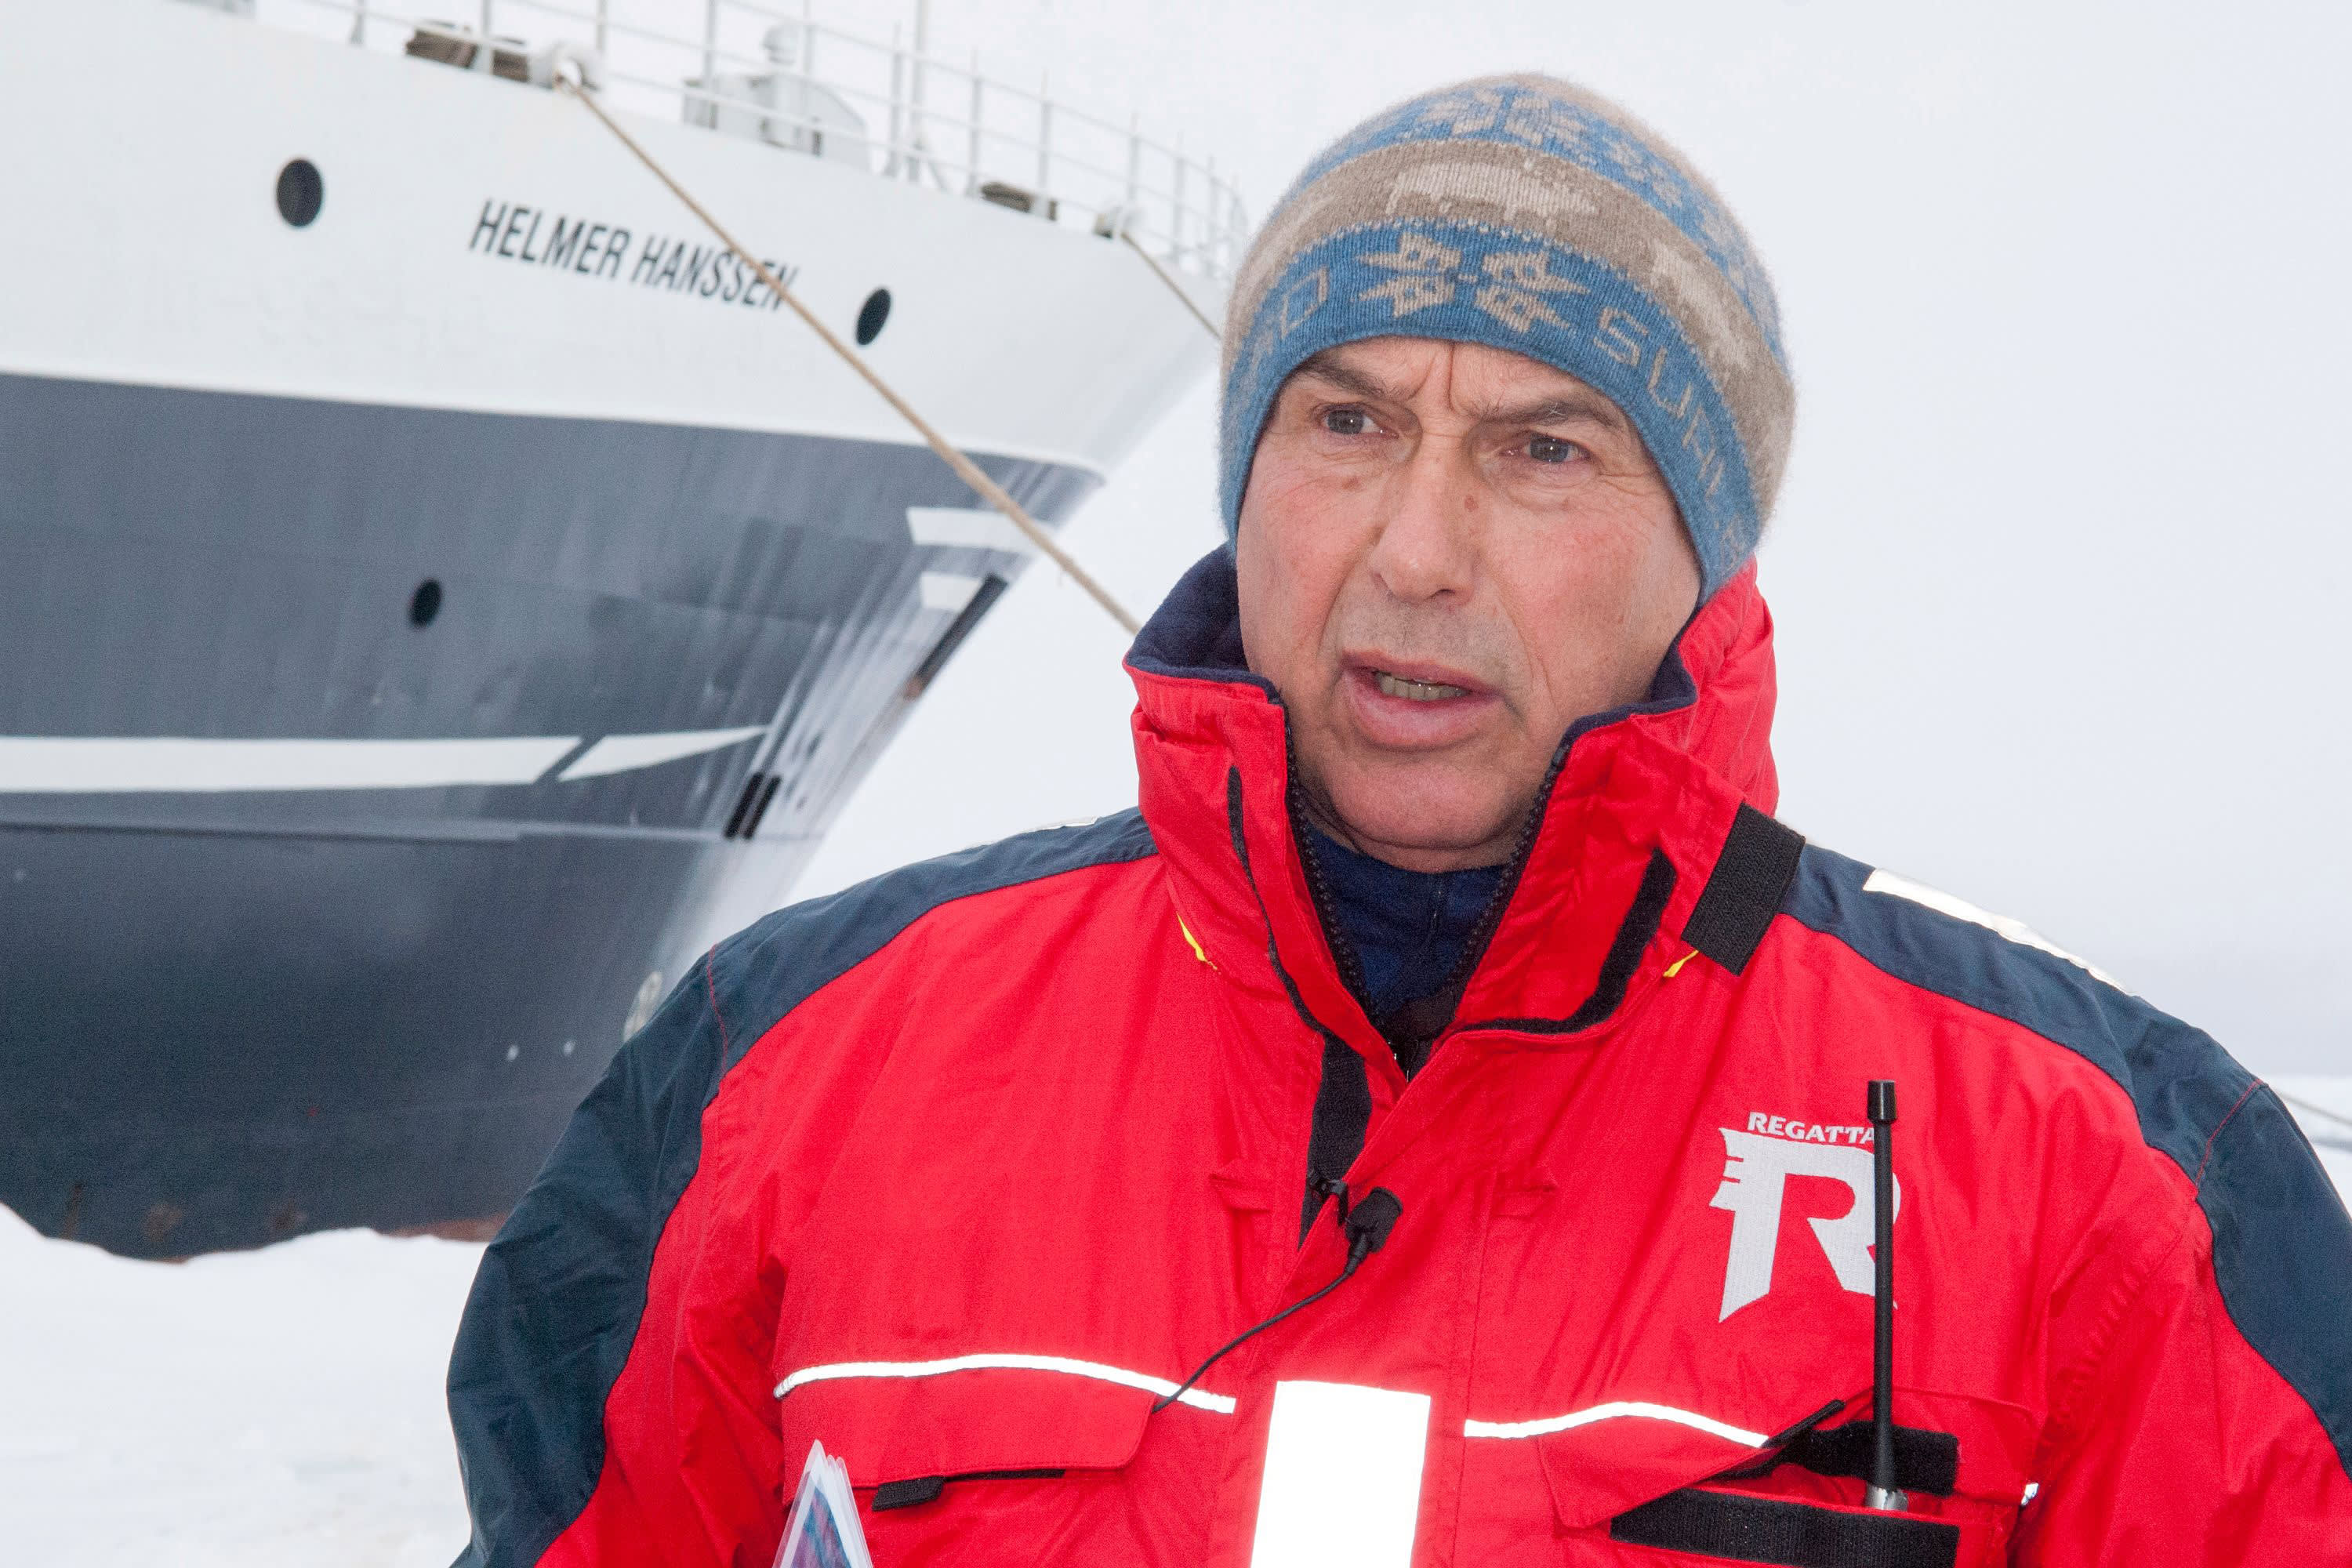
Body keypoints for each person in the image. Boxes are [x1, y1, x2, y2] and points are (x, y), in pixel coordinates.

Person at [446, 75, 2352, 1566]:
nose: (1417, 551)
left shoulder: (2105, 1183)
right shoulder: (784, 1083)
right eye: (1348, 423)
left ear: (1701, 557)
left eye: (1544, 449)